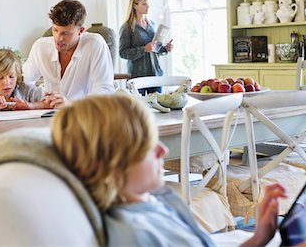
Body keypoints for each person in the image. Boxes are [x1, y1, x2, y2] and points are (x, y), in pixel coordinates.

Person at [51, 94, 288, 246]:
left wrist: (259, 237)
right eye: (146, 146)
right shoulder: (133, 234)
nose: (163, 150)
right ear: (109, 165)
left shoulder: (158, 199)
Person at [23, 0, 115, 103]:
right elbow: (25, 81)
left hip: (84, 114)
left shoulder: (95, 44)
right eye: (55, 30)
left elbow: (104, 89)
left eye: (65, 33)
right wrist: (40, 97)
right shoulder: (40, 47)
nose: (58, 38)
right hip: (47, 114)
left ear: (80, 31)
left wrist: (70, 105)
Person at [119, 0, 174, 95]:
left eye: (147, 4)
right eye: (144, 4)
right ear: (135, 5)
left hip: (156, 75)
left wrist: (165, 48)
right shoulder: (127, 28)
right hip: (138, 78)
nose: (148, 6)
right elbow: (123, 52)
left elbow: (155, 48)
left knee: (158, 108)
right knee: (141, 109)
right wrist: (143, 49)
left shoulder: (151, 24)